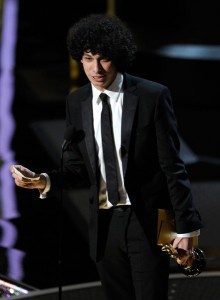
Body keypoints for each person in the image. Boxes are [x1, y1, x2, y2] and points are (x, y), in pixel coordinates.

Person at [10, 13, 203, 300]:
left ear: (118, 56)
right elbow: (78, 166)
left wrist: (187, 229)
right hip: (104, 225)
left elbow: (172, 167)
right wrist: (43, 180)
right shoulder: (77, 102)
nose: (96, 68)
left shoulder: (152, 96)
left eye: (103, 58)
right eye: (88, 58)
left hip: (146, 221)